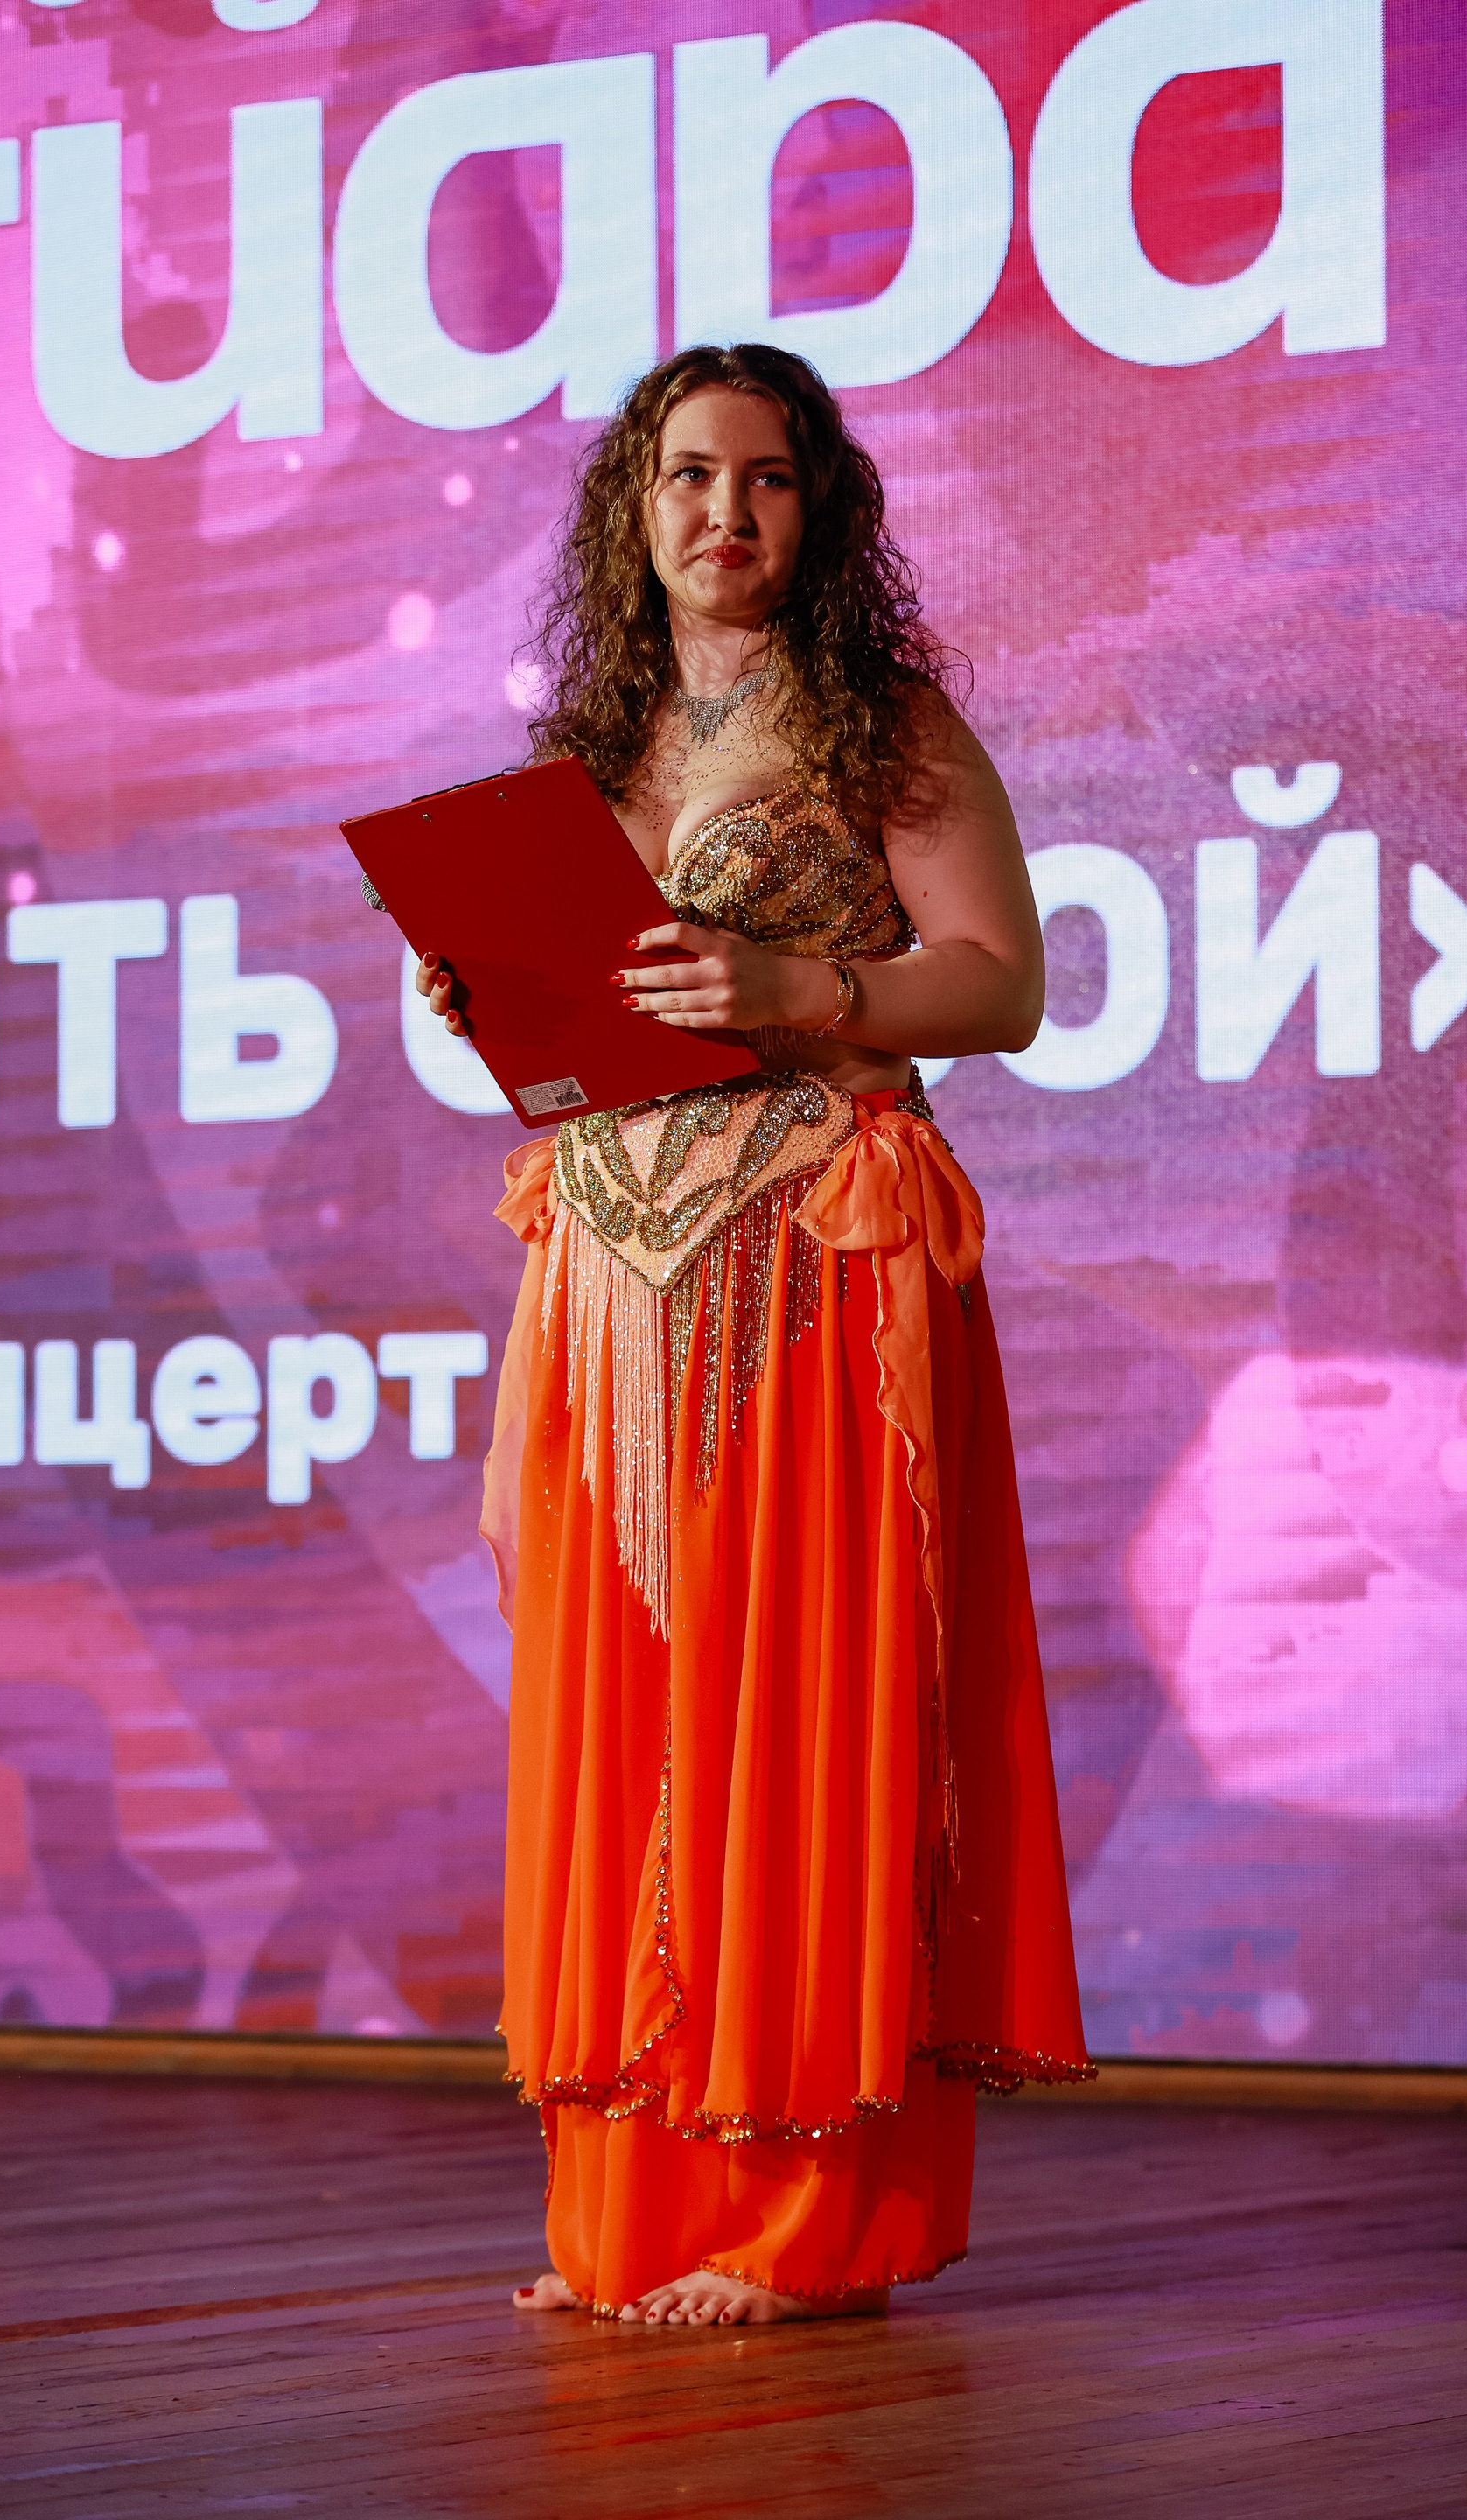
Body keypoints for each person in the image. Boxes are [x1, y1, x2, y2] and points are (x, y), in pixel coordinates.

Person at [417, 343, 1091, 2328]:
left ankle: (805, 2219)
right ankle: (631, 2213)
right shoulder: (590, 751)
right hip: (608, 1277)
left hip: (811, 1265)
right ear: (635, 511)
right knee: (625, 1717)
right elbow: (590, 1035)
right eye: (690, 477)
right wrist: (491, 1001)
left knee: (787, 1707)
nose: (728, 512)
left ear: (821, 507)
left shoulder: (885, 722)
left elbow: (1005, 985)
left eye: (769, 477)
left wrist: (803, 986)